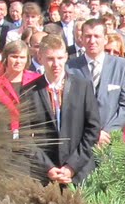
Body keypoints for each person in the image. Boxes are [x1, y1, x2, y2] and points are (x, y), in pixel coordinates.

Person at [18, 35, 102, 185]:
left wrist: (72, 166)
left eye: (60, 58)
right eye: (50, 59)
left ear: (66, 57)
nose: (56, 64)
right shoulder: (29, 91)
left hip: (80, 172)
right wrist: (48, 168)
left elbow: (93, 129)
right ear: (40, 58)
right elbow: (25, 136)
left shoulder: (83, 86)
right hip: (45, 176)